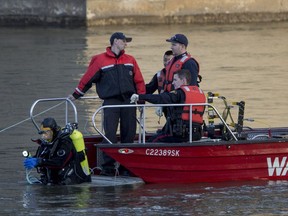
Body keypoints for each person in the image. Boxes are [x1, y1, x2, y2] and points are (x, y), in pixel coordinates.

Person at [69, 32, 146, 175]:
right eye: (124, 41)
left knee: (128, 135)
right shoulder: (100, 60)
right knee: (109, 134)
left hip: (129, 101)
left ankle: (126, 167)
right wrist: (76, 94)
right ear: (115, 41)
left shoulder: (130, 60)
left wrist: (141, 99)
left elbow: (139, 80)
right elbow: (88, 79)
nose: (126, 44)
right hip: (111, 102)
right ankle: (108, 167)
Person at [130, 69, 206, 142]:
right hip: (196, 134)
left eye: (175, 80)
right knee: (160, 133)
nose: (173, 83)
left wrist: (140, 96)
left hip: (180, 135)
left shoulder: (179, 94)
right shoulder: (200, 93)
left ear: (183, 81)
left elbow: (161, 98)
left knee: (152, 141)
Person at [23, 118, 91, 185]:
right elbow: (42, 157)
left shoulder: (64, 142)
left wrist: (39, 161)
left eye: (47, 131)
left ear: (53, 131)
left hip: (70, 181)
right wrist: (32, 159)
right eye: (42, 132)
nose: (44, 134)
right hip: (53, 181)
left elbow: (59, 162)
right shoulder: (46, 143)